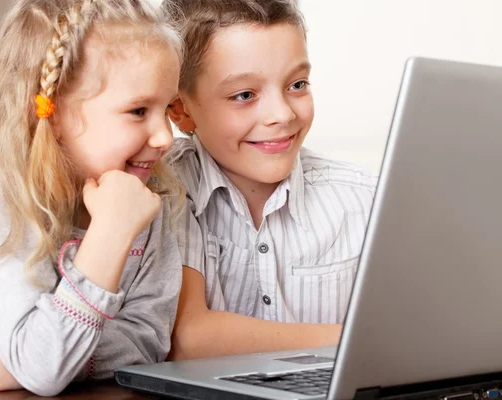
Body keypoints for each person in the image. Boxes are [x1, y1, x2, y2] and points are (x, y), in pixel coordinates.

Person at [0, 0, 183, 395]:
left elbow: (148, 340)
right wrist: (110, 234)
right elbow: (44, 366)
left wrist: (34, 362)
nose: (165, 137)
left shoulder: (146, 202)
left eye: (168, 108)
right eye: (138, 111)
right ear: (52, 112)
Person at [162, 0, 378, 360]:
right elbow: (188, 339)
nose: (282, 114)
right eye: (244, 95)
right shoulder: (165, 187)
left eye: (297, 84)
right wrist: (354, 341)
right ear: (181, 110)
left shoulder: (367, 202)